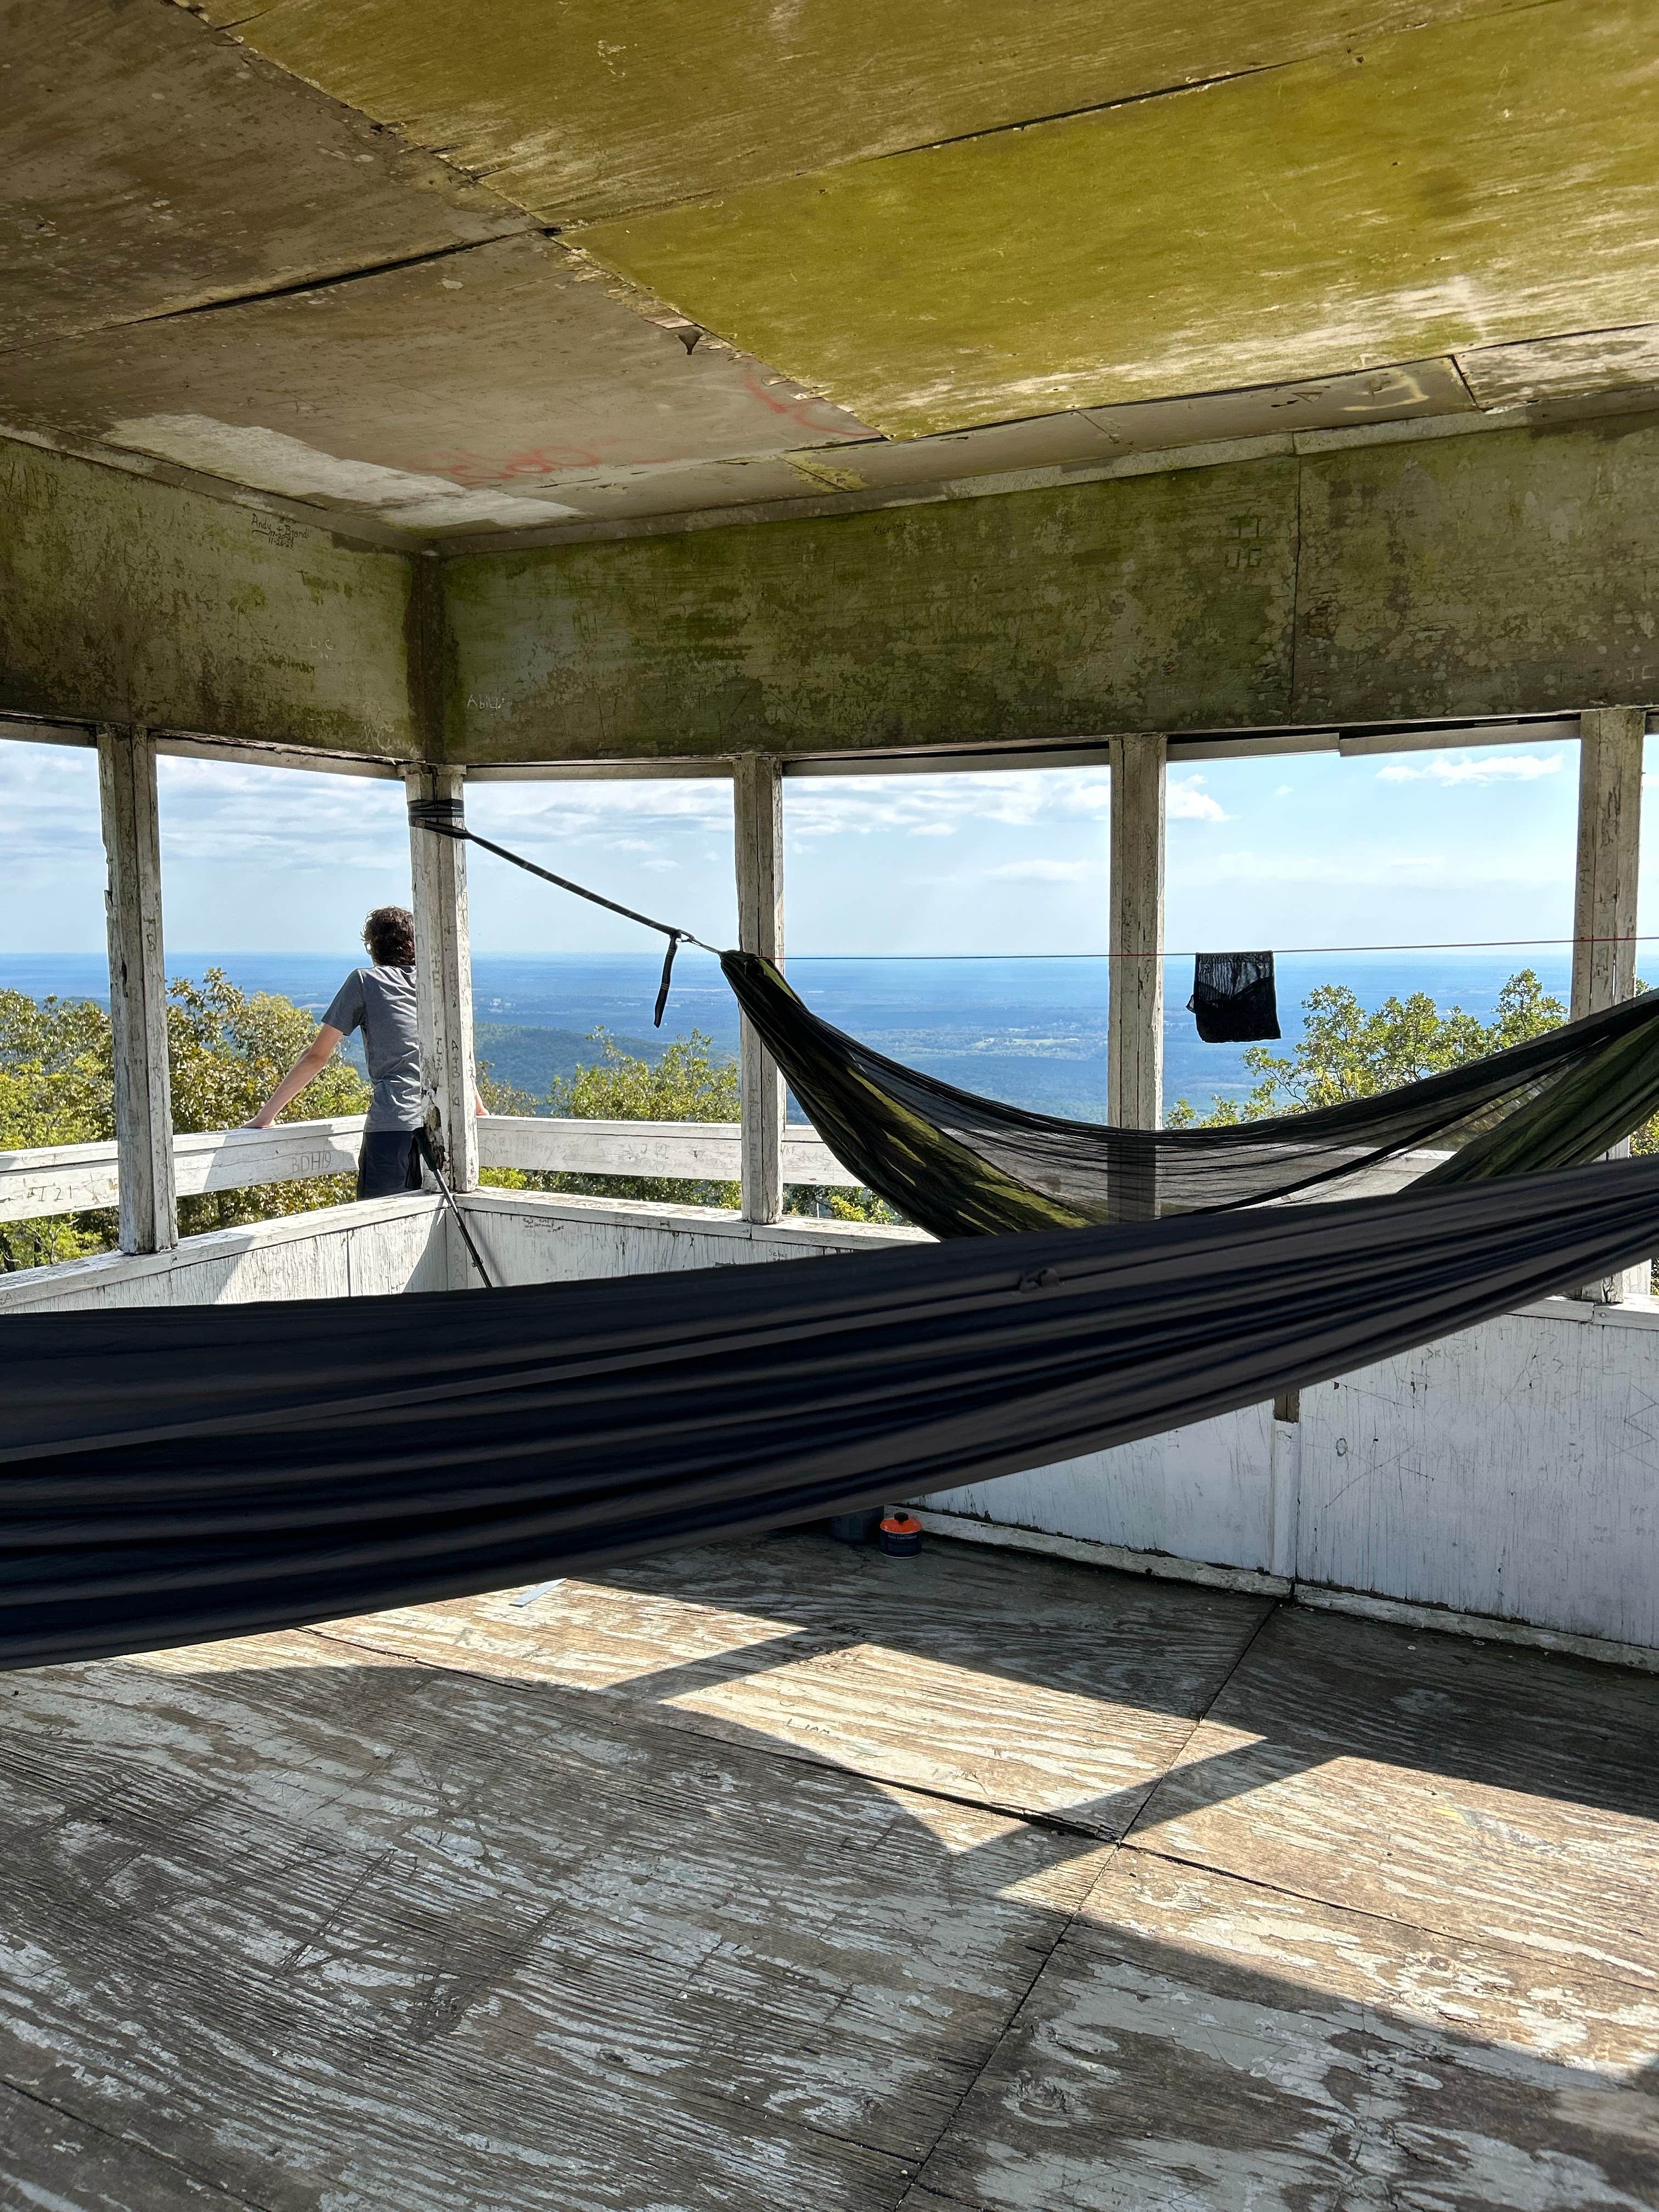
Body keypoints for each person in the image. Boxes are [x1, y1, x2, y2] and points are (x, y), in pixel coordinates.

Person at [245, 906, 426, 1199]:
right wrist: (479, 1111)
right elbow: (454, 1054)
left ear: (374, 946)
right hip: (436, 1128)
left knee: (375, 1228)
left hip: (392, 1127)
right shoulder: (432, 983)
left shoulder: (367, 981)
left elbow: (316, 1056)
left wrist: (265, 1117)